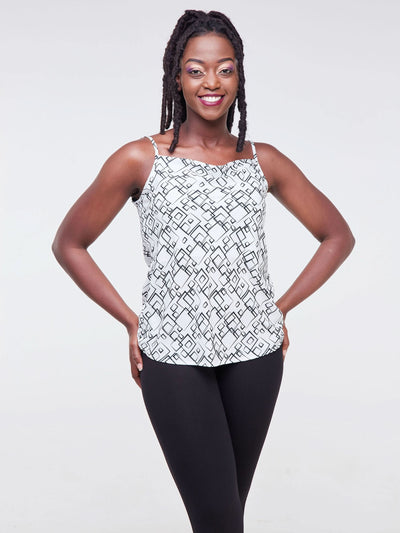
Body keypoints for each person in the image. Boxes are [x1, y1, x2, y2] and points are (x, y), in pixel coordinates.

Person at [52, 9, 355, 533]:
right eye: (196, 70)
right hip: (172, 356)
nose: (211, 82)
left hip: (255, 355)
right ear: (177, 77)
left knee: (225, 515)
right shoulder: (139, 159)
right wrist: (132, 321)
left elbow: (337, 236)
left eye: (225, 69)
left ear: (239, 76)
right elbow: (69, 244)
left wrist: (278, 309)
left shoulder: (263, 161)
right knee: (218, 519)